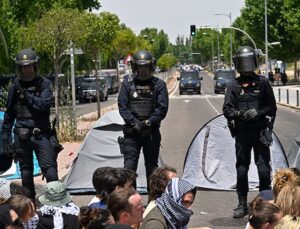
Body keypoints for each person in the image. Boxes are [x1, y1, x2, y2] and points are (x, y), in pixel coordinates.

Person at [223, 46, 277, 218]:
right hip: (242, 133)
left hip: (259, 132)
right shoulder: (233, 85)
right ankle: (241, 204)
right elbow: (227, 109)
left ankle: (265, 203)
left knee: (263, 170)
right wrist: (239, 114)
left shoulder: (263, 82)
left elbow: (272, 107)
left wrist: (259, 113)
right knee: (241, 169)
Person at [1, 48, 58, 200]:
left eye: (29, 66)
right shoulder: (14, 86)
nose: (27, 70)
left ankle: (57, 204)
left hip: (41, 135)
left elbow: (43, 106)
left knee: (50, 171)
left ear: (35, 66)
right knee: (26, 173)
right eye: (23, 67)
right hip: (21, 136)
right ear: (19, 68)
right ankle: (30, 209)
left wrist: (26, 94)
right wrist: (5, 139)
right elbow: (9, 115)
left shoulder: (45, 84)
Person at [118, 50, 169, 187]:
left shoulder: (159, 85)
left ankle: (153, 202)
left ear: (151, 67)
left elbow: (161, 109)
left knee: (152, 168)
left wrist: (147, 123)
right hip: (131, 133)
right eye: (140, 67)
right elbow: (123, 107)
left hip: (151, 132)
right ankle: (129, 201)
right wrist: (135, 124)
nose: (143, 71)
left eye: (146, 67)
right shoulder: (127, 84)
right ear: (135, 68)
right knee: (129, 168)